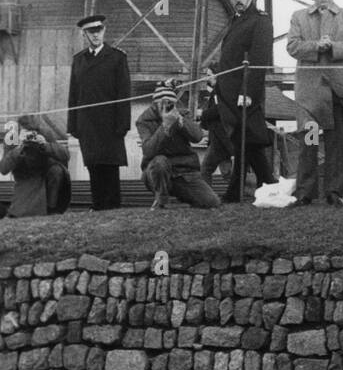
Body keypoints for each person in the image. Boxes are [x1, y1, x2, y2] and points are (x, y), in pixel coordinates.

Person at [286, 0, 343, 208]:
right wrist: (315, 46)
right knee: (309, 142)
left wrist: (333, 47)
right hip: (309, 95)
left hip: (337, 92)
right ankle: (305, 192)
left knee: (336, 142)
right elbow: (292, 46)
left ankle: (334, 191)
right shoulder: (298, 17)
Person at [206, 0, 275, 203]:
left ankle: (243, 190)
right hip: (227, 93)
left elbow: (258, 61)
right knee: (245, 142)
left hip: (242, 95)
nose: (237, 0)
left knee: (247, 140)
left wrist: (248, 93)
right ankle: (264, 185)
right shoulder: (236, 21)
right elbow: (231, 59)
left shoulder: (260, 22)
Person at [67, 13, 131, 211]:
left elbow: (124, 92)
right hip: (87, 123)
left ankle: (112, 206)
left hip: (110, 123)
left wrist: (123, 124)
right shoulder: (78, 60)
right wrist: (73, 124)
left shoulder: (117, 58)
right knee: (93, 164)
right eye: (90, 32)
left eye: (98, 31)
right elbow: (73, 94)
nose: (95, 36)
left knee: (110, 165)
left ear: (104, 31)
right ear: (84, 34)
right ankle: (98, 205)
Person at [136, 81, 221, 210]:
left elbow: (197, 137)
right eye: (163, 103)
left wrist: (181, 123)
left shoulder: (181, 113)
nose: (167, 106)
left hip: (183, 171)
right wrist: (165, 127)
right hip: (156, 171)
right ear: (154, 104)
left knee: (211, 201)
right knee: (160, 162)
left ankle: (181, 194)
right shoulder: (144, 120)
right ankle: (161, 199)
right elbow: (148, 150)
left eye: (171, 103)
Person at [0, 115, 71, 218]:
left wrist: (45, 145)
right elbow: (3, 168)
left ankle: (52, 209)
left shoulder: (44, 134)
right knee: (23, 212)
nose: (30, 136)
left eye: (32, 133)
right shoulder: (12, 139)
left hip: (45, 178)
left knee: (57, 170)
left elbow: (65, 155)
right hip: (24, 181)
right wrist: (19, 148)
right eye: (26, 132)